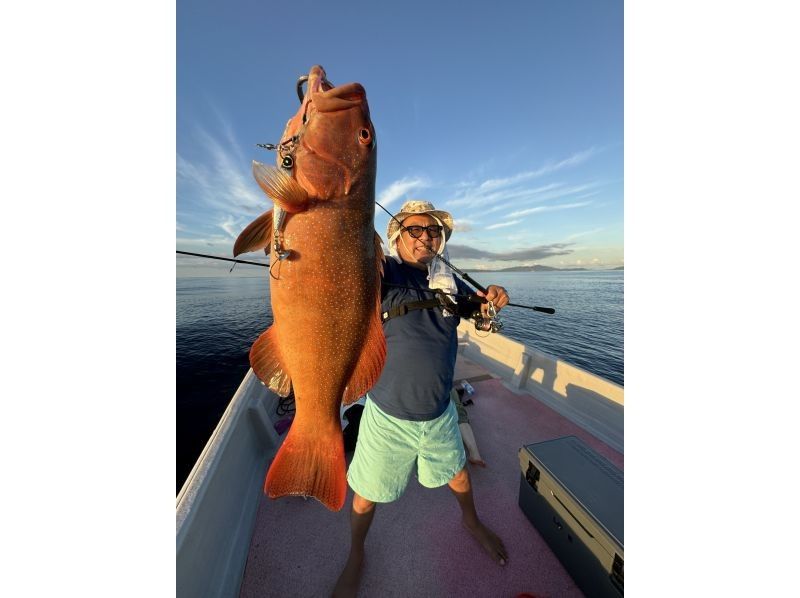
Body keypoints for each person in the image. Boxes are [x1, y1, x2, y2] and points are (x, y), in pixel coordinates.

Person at [333, 200, 510, 597]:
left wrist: (492, 301)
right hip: (386, 415)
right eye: (415, 230)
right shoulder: (382, 273)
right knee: (365, 496)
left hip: (440, 411)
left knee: (459, 474)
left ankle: (471, 521)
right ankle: (356, 553)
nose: (426, 236)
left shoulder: (449, 280)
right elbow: (349, 271)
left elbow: (480, 314)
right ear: (396, 238)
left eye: (433, 231)